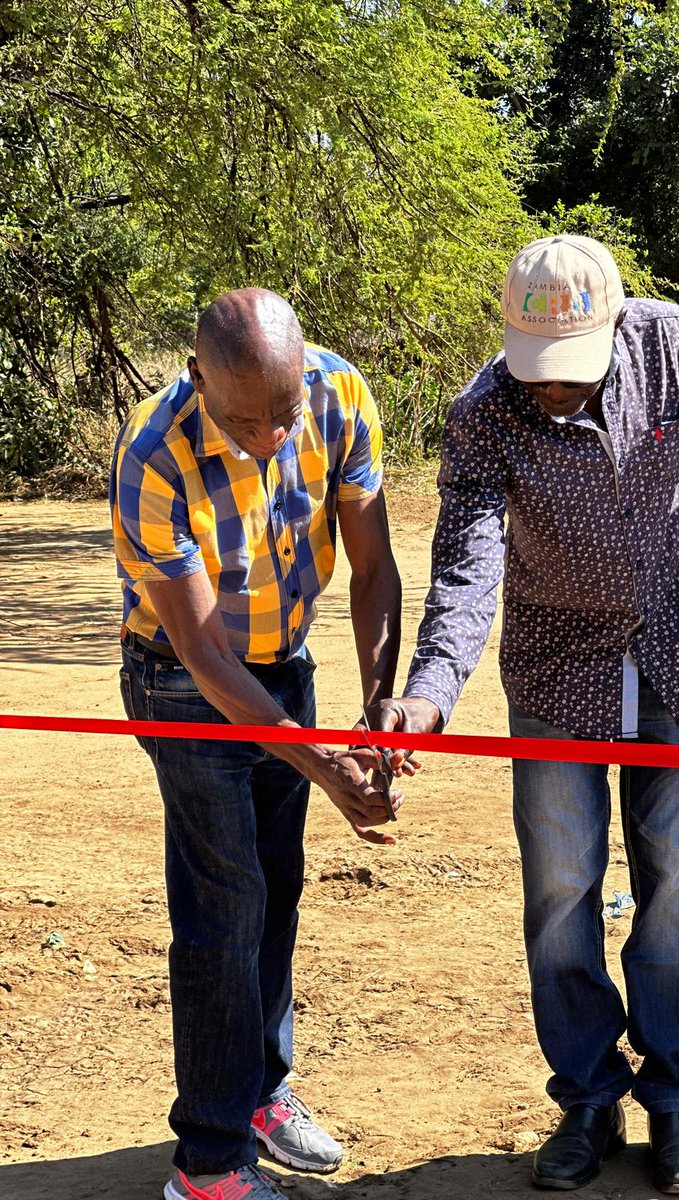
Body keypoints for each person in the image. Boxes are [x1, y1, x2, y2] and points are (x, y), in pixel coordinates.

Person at [370, 235, 679, 1193]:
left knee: (675, 876)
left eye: (571, 375)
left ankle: (677, 1100)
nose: (552, 391)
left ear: (613, 331)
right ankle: (590, 1095)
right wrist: (431, 694)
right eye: (538, 375)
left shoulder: (673, 346)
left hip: (677, 653)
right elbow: (469, 570)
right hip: (558, 670)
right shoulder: (483, 415)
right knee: (562, 888)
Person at [111, 288, 411, 1200]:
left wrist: (376, 710)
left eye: (283, 413)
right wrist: (321, 763)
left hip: (286, 671)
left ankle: (261, 1093)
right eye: (246, 421)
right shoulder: (154, 454)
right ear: (198, 377)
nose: (274, 437)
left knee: (276, 890)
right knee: (224, 909)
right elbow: (201, 652)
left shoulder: (340, 396)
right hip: (183, 686)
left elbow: (372, 566)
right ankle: (207, 1162)